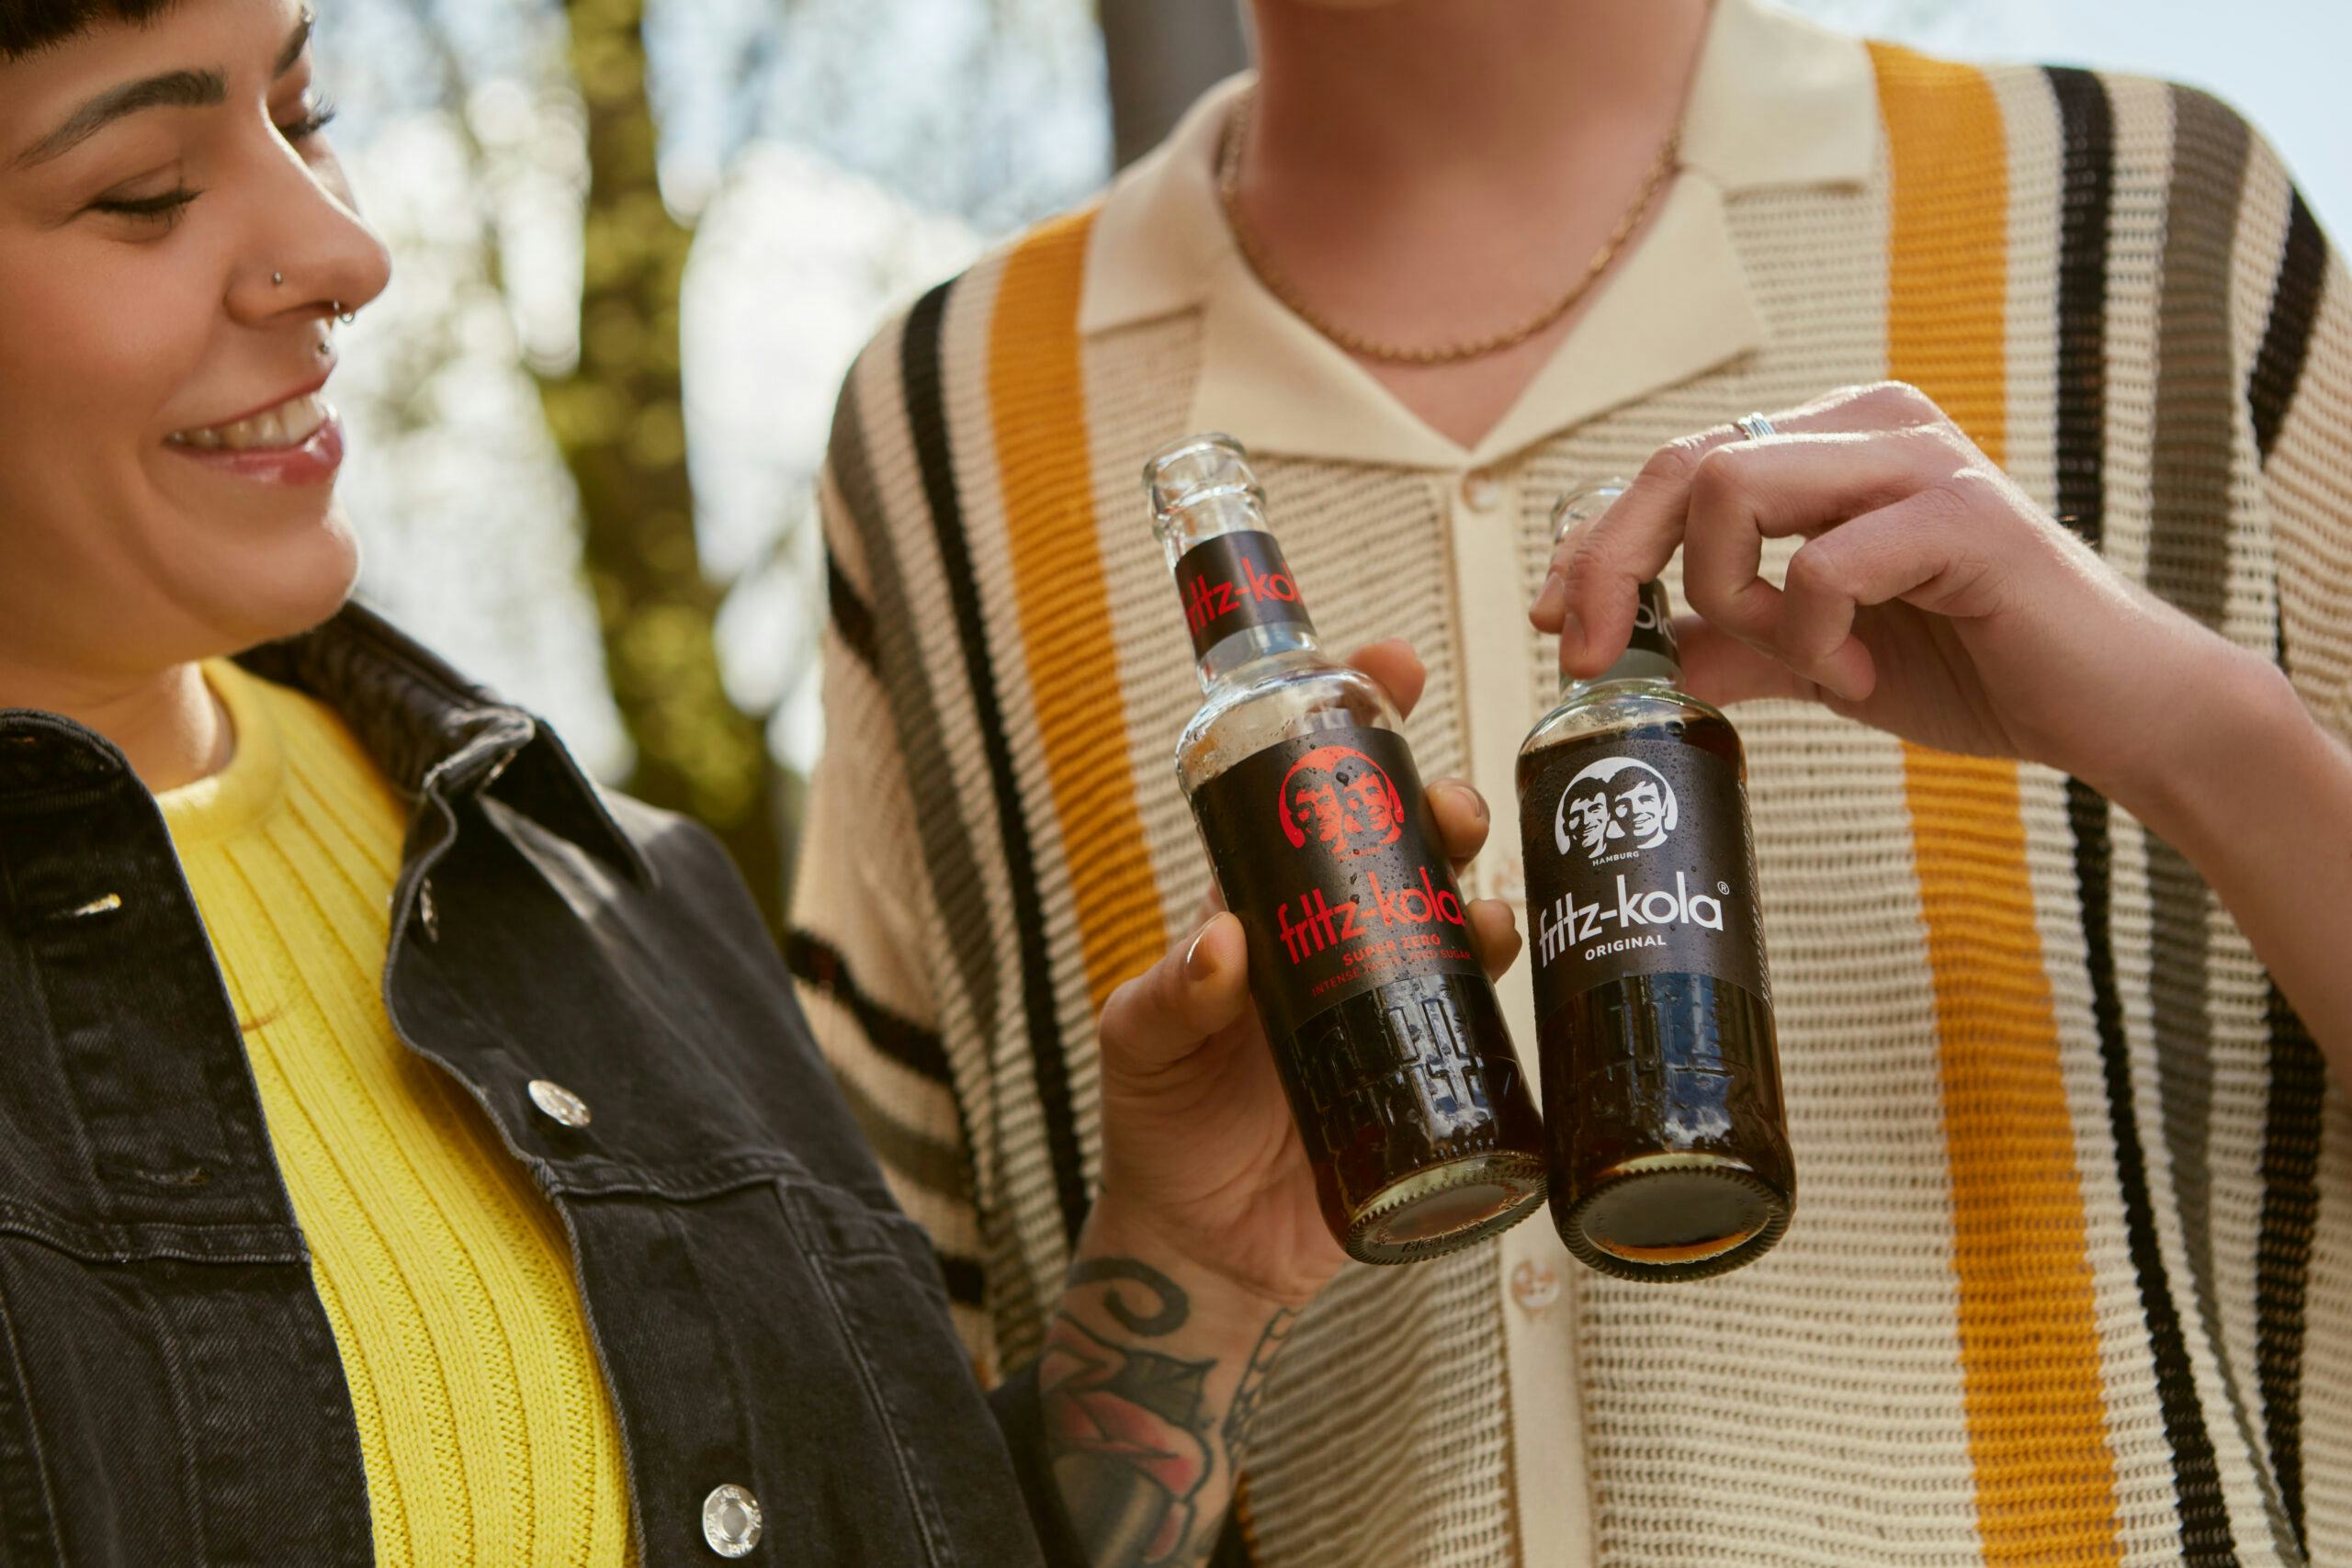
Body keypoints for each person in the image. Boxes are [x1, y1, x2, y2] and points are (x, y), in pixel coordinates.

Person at [791, 0, 2352, 1562]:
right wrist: (1186, 1273)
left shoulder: (2148, 211)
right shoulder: (937, 428)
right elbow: (866, 1474)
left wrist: (2211, 741)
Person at [0, 4, 1499, 1562]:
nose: (345, 252)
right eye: (143, 191)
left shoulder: (614, 890)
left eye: (305, 115)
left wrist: (1192, 1270)